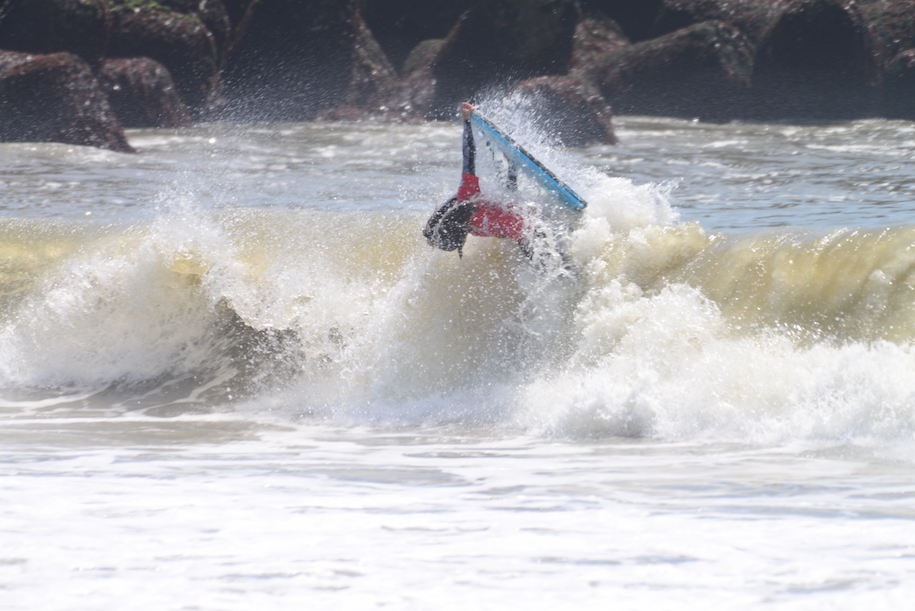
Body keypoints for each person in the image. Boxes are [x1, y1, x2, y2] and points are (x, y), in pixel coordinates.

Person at [423, 102, 532, 259]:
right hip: (531, 228)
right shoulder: (467, 198)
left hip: (532, 232)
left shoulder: (477, 230)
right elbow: (469, 156)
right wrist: (467, 121)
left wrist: (513, 166)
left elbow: (511, 204)